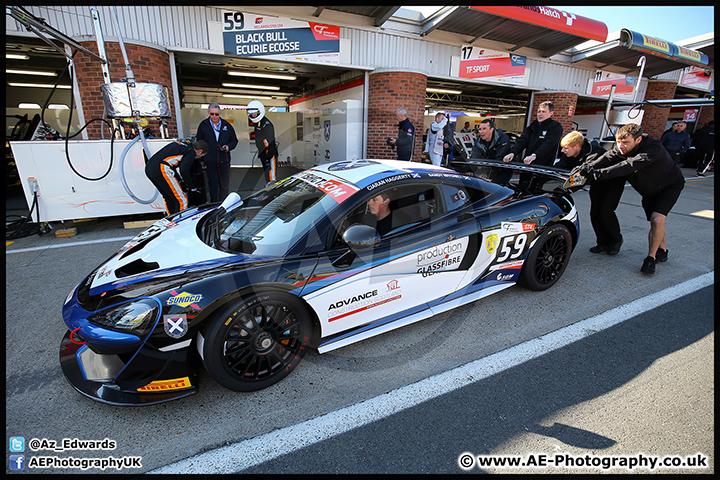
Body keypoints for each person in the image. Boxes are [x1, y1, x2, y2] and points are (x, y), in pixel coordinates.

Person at [575, 123, 685, 274]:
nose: (621, 146)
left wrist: (600, 173)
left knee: (657, 219)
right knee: (657, 221)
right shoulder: (621, 147)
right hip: (649, 190)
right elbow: (608, 157)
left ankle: (650, 258)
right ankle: (663, 251)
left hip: (669, 186)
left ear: (638, 140)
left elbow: (629, 165)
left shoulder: (653, 149)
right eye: (619, 142)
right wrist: (590, 167)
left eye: (625, 142)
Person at [558, 132, 625, 255]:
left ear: (577, 147)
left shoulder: (595, 154)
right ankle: (602, 243)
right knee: (595, 213)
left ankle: (616, 240)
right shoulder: (570, 153)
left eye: (566, 148)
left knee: (605, 212)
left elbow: (583, 178)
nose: (563, 151)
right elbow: (559, 168)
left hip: (612, 182)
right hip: (597, 183)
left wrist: (566, 189)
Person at [503, 101, 563, 191]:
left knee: (533, 191)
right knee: (521, 189)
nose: (540, 114)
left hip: (541, 168)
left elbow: (549, 144)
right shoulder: (533, 126)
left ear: (551, 113)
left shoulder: (556, 127)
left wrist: (534, 155)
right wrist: (512, 153)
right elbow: (522, 140)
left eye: (543, 112)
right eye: (539, 111)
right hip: (527, 166)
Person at [145, 139, 209, 215]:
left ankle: (172, 221)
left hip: (149, 167)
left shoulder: (182, 144)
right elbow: (184, 170)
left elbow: (173, 166)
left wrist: (181, 182)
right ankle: (182, 224)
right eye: (202, 155)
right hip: (161, 167)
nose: (199, 157)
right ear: (200, 151)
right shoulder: (191, 151)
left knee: (169, 197)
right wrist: (190, 185)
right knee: (181, 200)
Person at [195, 102, 238, 202]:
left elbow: (234, 141)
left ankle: (224, 203)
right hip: (210, 160)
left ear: (220, 114)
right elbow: (199, 143)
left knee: (224, 184)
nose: (214, 116)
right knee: (213, 183)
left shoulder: (227, 125)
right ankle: (214, 203)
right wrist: (201, 159)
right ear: (209, 113)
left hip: (224, 160)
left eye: (216, 114)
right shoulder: (203, 125)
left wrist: (228, 147)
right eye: (212, 114)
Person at [469, 118, 512, 183]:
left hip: (503, 169)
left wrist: (488, 175)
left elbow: (499, 160)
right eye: (480, 129)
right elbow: (474, 157)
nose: (481, 132)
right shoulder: (479, 141)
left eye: (484, 129)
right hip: (489, 167)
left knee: (497, 186)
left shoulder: (503, 139)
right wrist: (469, 171)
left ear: (491, 130)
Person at [247, 100, 278, 184]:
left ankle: (273, 191)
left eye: (255, 113)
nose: (253, 115)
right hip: (263, 153)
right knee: (267, 175)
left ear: (260, 111)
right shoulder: (258, 123)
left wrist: (268, 155)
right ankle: (269, 189)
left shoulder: (266, 124)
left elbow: (271, 143)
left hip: (269, 154)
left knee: (271, 176)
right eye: (251, 113)